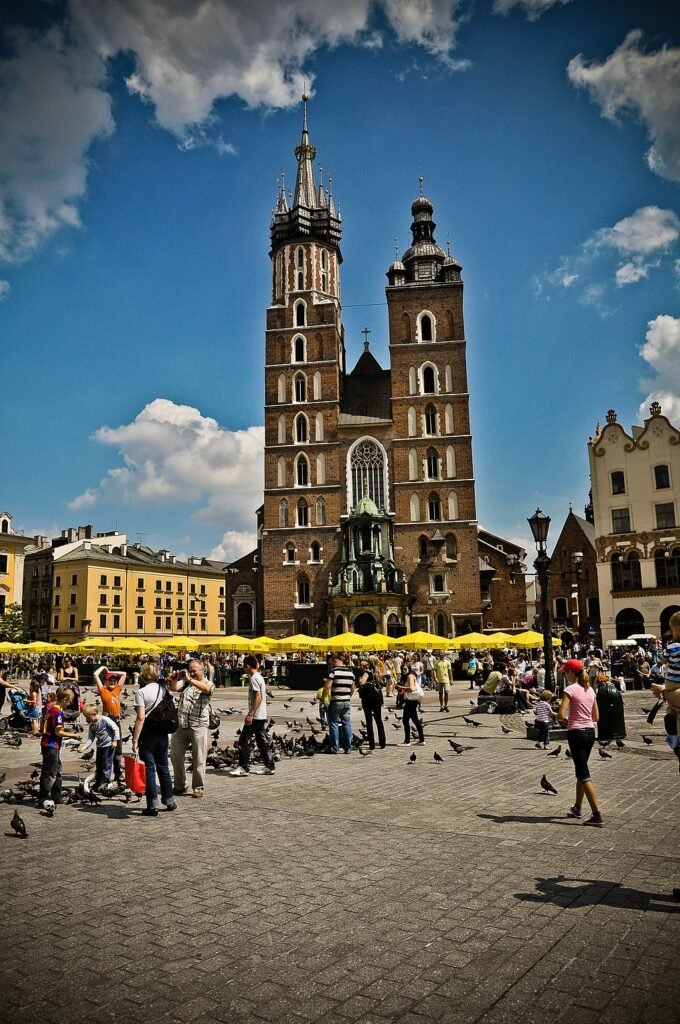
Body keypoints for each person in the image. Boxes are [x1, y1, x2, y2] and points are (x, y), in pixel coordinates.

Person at [558, 659, 604, 827]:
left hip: (576, 733)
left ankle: (597, 814)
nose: (564, 674)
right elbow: (596, 717)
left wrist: (565, 720)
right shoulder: (590, 690)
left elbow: (561, 715)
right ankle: (577, 807)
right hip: (590, 732)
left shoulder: (570, 689)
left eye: (565, 672)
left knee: (584, 773)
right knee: (581, 768)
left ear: (571, 673)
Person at [132, 662, 178, 816]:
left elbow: (140, 718)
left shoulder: (141, 693)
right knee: (163, 767)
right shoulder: (163, 689)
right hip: (162, 733)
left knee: (150, 770)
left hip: (148, 734)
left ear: (143, 675)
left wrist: (134, 740)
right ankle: (169, 800)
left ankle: (152, 805)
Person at [170, 659, 215, 797]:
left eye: (194, 670)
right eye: (190, 670)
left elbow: (207, 690)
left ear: (202, 670)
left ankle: (198, 787)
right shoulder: (186, 683)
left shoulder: (208, 684)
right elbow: (174, 688)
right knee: (175, 756)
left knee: (199, 758)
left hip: (198, 726)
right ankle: (180, 785)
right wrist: (174, 679)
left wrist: (190, 679)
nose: (191, 673)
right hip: (181, 726)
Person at [228, 655, 276, 776]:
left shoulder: (254, 678)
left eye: (244, 667)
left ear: (248, 666)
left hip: (256, 715)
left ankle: (244, 767)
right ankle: (270, 765)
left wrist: (250, 714)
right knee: (261, 741)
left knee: (243, 739)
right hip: (261, 714)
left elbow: (258, 697)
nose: (244, 670)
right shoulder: (259, 677)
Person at [38, 686, 81, 807]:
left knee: (56, 770)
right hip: (52, 745)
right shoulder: (58, 713)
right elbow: (58, 732)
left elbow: (43, 725)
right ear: (65, 699)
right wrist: (73, 736)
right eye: (70, 700)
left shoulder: (50, 708)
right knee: (50, 773)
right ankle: (43, 797)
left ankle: (57, 796)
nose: (71, 702)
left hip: (47, 742)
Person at [94, 666, 127, 783]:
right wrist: (103, 668)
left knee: (118, 748)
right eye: (110, 680)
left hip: (117, 720)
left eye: (114, 680)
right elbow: (95, 675)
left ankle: (118, 773)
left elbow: (123, 674)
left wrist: (110, 672)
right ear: (105, 681)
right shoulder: (103, 690)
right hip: (107, 720)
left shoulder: (117, 689)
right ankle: (103, 774)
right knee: (107, 747)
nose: (113, 681)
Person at [80, 704, 120, 790]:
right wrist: (84, 747)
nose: (87, 720)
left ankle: (105, 782)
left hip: (109, 746)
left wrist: (115, 740)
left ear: (94, 714)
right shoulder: (92, 725)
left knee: (106, 765)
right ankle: (98, 781)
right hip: (100, 746)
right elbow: (91, 737)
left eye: (88, 717)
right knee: (99, 765)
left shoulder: (105, 720)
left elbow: (115, 728)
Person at [322, 654, 355, 755]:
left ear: (337, 660)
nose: (331, 663)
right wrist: (348, 697)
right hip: (347, 701)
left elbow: (327, 686)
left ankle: (334, 748)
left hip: (336, 701)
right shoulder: (350, 673)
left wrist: (323, 698)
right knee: (347, 723)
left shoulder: (333, 672)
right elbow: (353, 688)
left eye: (332, 661)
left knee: (334, 724)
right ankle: (348, 748)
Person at [357, 660, 385, 750]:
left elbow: (362, 682)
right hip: (376, 698)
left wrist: (360, 679)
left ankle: (372, 744)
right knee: (378, 720)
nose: (360, 667)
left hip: (368, 699)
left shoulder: (367, 672)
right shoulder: (376, 672)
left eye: (362, 665)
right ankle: (382, 742)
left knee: (369, 722)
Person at [399, 662, 425, 746]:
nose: (404, 671)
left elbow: (411, 688)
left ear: (409, 668)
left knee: (405, 720)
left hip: (411, 701)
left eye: (405, 669)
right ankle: (421, 740)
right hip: (413, 701)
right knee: (416, 721)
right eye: (402, 669)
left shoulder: (410, 676)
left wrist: (401, 688)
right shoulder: (412, 675)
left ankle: (407, 741)